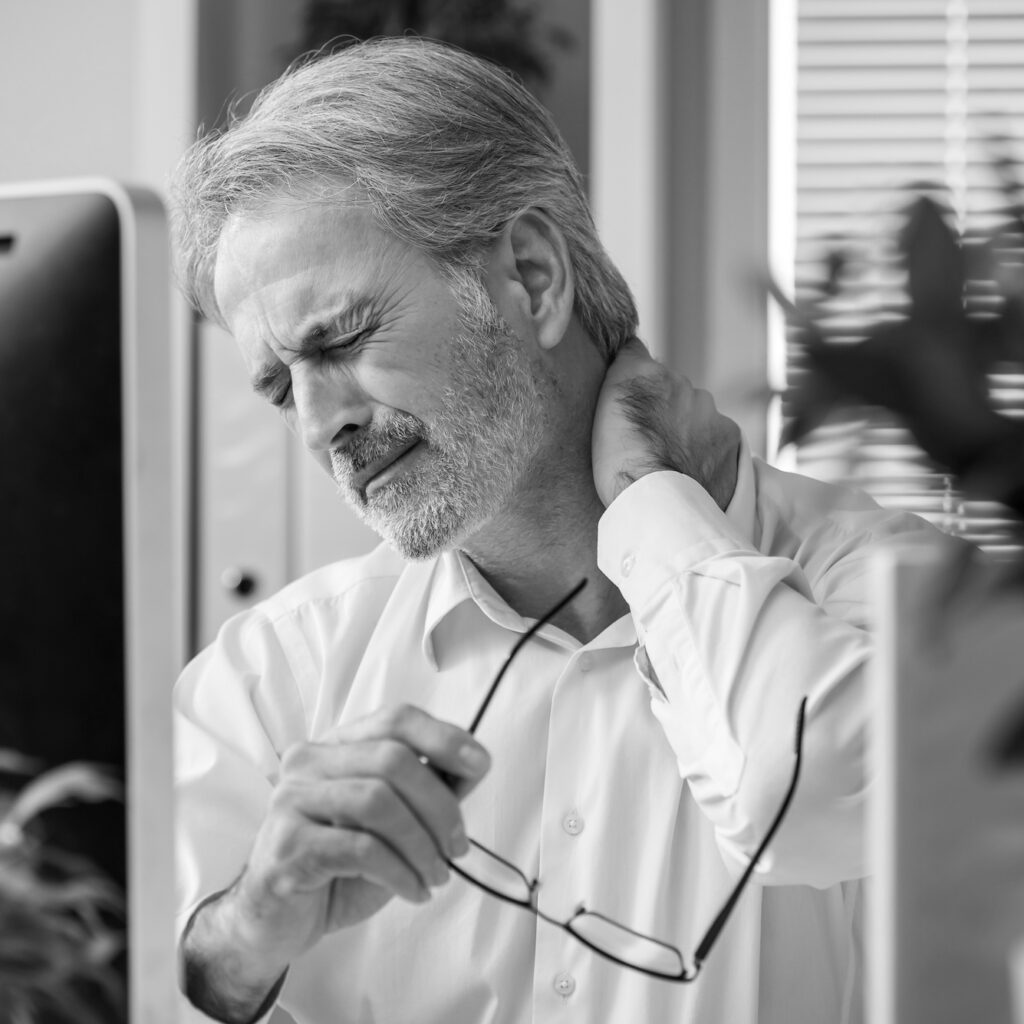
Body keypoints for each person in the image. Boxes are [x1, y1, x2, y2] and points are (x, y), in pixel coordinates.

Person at [170, 36, 935, 1024]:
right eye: (281, 388)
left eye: (344, 339)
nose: (322, 427)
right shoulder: (269, 678)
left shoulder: (893, 588)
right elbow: (110, 980)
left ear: (530, 276)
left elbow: (821, 796)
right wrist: (250, 926)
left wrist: (652, 501)